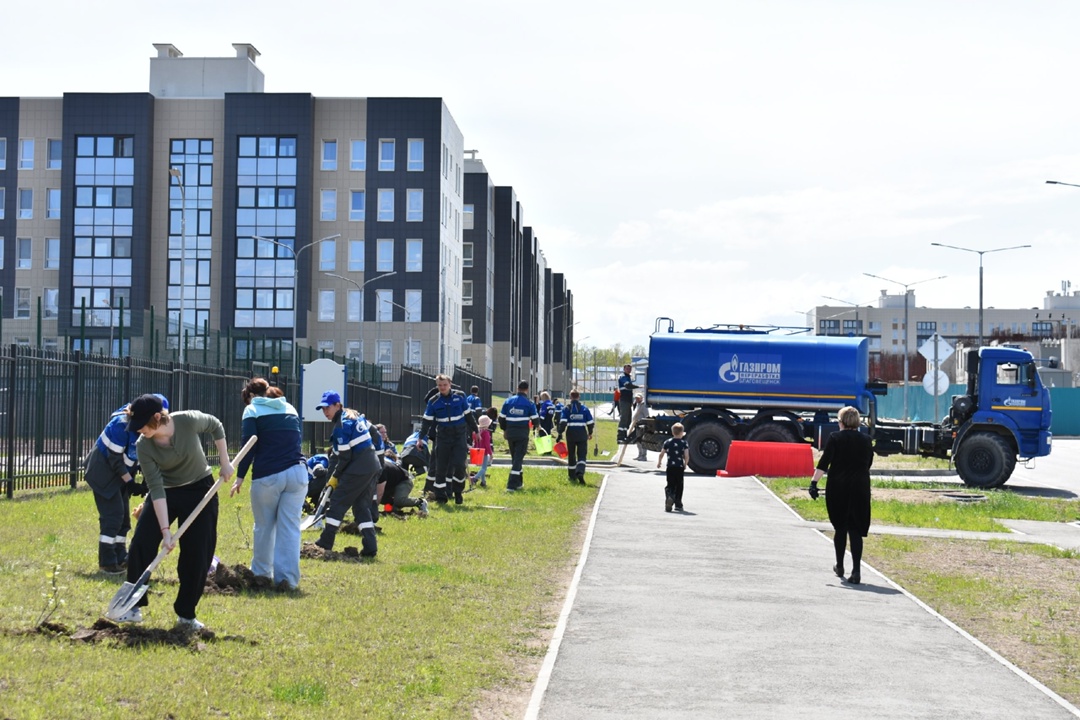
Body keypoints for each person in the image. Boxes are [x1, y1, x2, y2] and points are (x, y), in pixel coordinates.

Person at [121, 394, 234, 630]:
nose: (139, 429)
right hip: (165, 492)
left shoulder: (186, 421)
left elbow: (216, 425)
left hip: (200, 489)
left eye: (142, 424)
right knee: (142, 544)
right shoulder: (144, 445)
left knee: (197, 553)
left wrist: (225, 460)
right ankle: (131, 606)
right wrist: (165, 531)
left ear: (156, 417)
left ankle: (186, 615)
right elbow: (156, 488)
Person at [230, 378, 306, 591]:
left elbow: (248, 445)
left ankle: (262, 576)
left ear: (252, 396)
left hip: (268, 477)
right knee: (290, 528)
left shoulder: (253, 410)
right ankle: (288, 582)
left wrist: (240, 477)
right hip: (298, 474)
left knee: (264, 527)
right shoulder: (289, 407)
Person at [84, 394, 167, 573]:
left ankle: (120, 557)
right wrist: (130, 483)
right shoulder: (120, 425)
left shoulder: (149, 428)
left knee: (124, 521)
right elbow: (115, 460)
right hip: (103, 474)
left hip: (121, 476)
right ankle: (107, 561)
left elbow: (144, 456)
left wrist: (144, 481)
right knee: (113, 516)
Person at [809, 406, 874, 584]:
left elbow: (824, 463)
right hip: (860, 487)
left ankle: (839, 566)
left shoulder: (835, 438)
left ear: (842, 422)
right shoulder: (866, 440)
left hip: (839, 487)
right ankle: (857, 571)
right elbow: (868, 463)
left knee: (841, 527)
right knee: (855, 529)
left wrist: (814, 483)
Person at [313, 391, 382, 557]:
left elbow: (344, 458)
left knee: (337, 502)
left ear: (337, 405)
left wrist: (335, 477)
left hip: (359, 468)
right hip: (372, 465)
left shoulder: (341, 426)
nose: (325, 412)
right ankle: (370, 547)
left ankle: (325, 541)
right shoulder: (353, 416)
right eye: (322, 409)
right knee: (360, 506)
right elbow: (373, 435)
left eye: (327, 408)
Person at [418, 374, 478, 504]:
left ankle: (458, 492)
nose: (442, 387)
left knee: (459, 466)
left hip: (459, 435)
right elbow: (426, 422)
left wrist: (476, 430)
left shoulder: (460, 396)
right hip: (443, 436)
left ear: (450, 384)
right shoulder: (433, 401)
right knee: (441, 467)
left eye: (445, 385)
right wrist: (420, 438)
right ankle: (440, 496)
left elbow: (469, 416)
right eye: (439, 385)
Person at [499, 380, 539, 491]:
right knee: (518, 459)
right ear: (527, 389)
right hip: (522, 434)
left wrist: (504, 429)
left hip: (510, 433)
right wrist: (537, 426)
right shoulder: (529, 403)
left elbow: (501, 418)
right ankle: (511, 485)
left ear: (517, 388)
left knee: (515, 457)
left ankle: (519, 483)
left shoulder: (508, 401)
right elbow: (535, 419)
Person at [557, 389, 594, 484]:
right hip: (582, 433)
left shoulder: (567, 409)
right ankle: (580, 471)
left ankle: (572, 476)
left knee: (572, 456)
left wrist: (560, 433)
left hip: (571, 434)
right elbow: (590, 422)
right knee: (582, 454)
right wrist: (590, 433)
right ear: (579, 397)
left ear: (570, 397)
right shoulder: (584, 408)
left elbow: (563, 422)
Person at [657, 422, 690, 512]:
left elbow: (661, 454)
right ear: (682, 433)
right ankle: (678, 504)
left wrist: (659, 462)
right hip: (679, 467)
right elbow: (686, 455)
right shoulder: (684, 443)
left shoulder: (667, 442)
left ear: (672, 432)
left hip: (670, 466)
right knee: (679, 485)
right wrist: (685, 464)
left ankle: (669, 496)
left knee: (670, 484)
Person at [617, 364, 638, 443]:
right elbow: (628, 386)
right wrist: (639, 386)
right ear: (624, 369)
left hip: (628, 400)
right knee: (624, 418)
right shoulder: (623, 376)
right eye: (627, 369)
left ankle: (624, 435)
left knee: (628, 419)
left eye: (630, 369)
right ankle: (620, 437)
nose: (629, 370)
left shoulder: (628, 377)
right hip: (624, 400)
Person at [471, 414, 494, 488]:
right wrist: (491, 454)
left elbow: (474, 442)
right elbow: (487, 444)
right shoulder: (486, 433)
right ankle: (475, 478)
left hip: (478, 451)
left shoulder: (476, 432)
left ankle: (483, 482)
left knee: (483, 467)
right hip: (484, 452)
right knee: (484, 468)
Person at [629, 393, 649, 461]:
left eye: (638, 398)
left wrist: (643, 424)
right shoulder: (637, 405)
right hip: (636, 425)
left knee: (642, 441)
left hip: (642, 426)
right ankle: (640, 455)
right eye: (636, 398)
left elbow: (647, 416)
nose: (637, 399)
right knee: (638, 441)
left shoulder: (643, 406)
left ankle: (644, 456)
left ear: (641, 398)